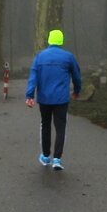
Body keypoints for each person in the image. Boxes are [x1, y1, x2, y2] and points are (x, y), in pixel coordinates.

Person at [25, 29, 82, 171]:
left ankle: (45, 156)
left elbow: (33, 77)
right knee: (60, 127)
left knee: (45, 125)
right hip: (61, 99)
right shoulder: (68, 57)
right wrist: (76, 91)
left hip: (44, 98)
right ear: (61, 41)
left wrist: (30, 95)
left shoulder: (39, 57)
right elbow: (77, 76)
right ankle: (57, 159)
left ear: (49, 40)